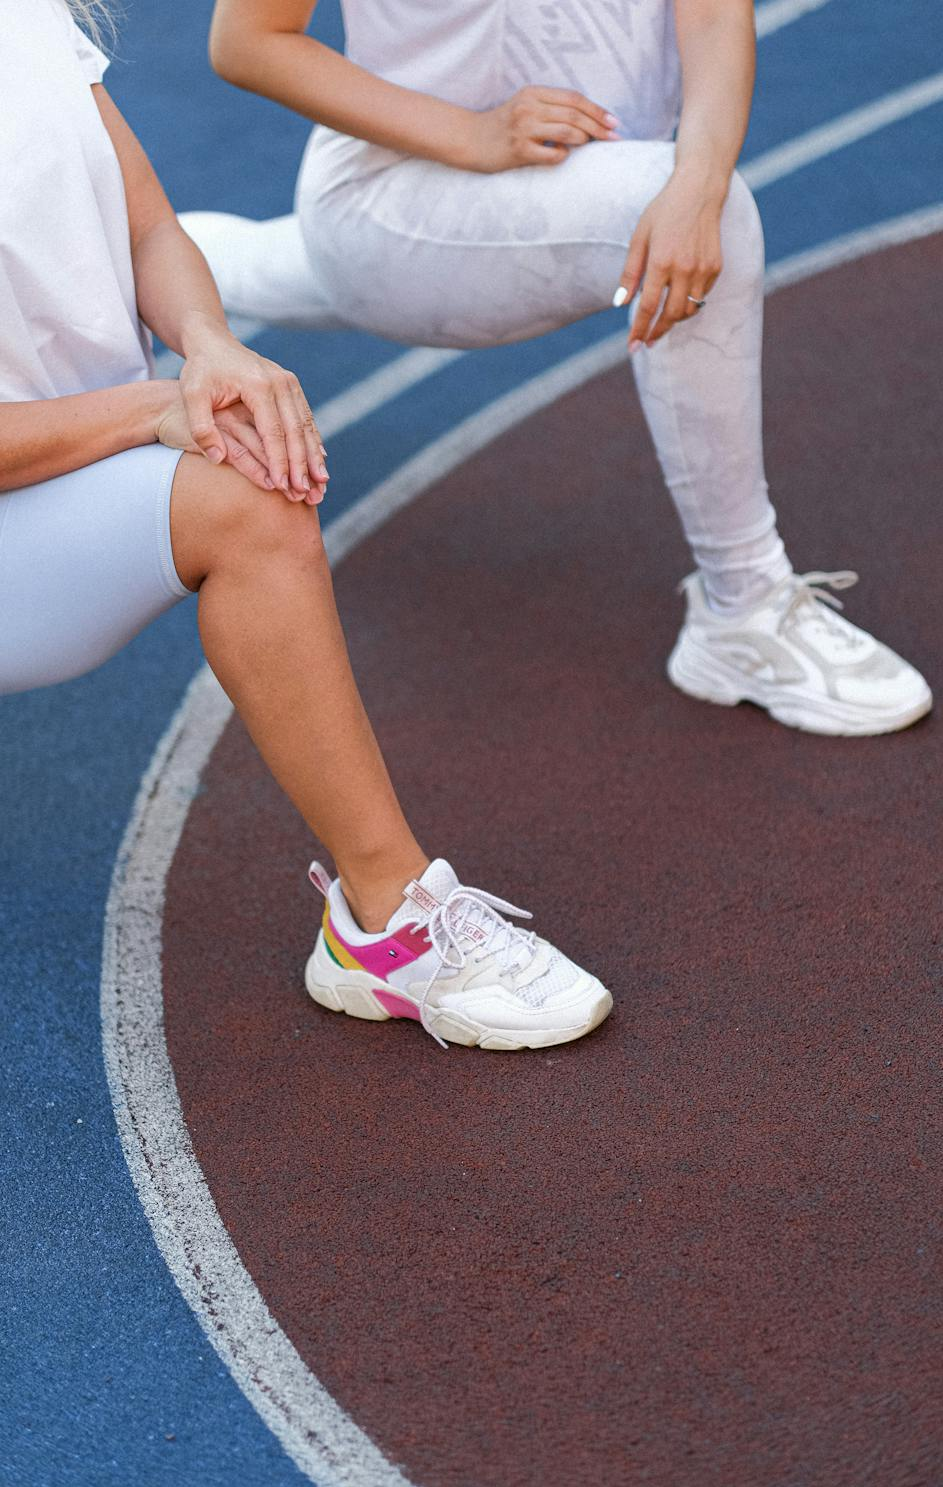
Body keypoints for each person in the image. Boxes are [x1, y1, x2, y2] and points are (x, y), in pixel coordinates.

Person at [0, 0, 612, 1052]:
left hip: (59, 481)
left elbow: (149, 222)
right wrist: (152, 409)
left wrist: (205, 348)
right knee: (229, 476)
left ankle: (381, 927)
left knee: (250, 483)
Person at [184, 0, 932, 738]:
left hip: (548, 193)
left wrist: (698, 182)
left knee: (695, 208)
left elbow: (709, 12)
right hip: (389, 198)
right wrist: (469, 132)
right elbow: (246, 41)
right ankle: (744, 605)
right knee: (691, 214)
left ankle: (144, 256)